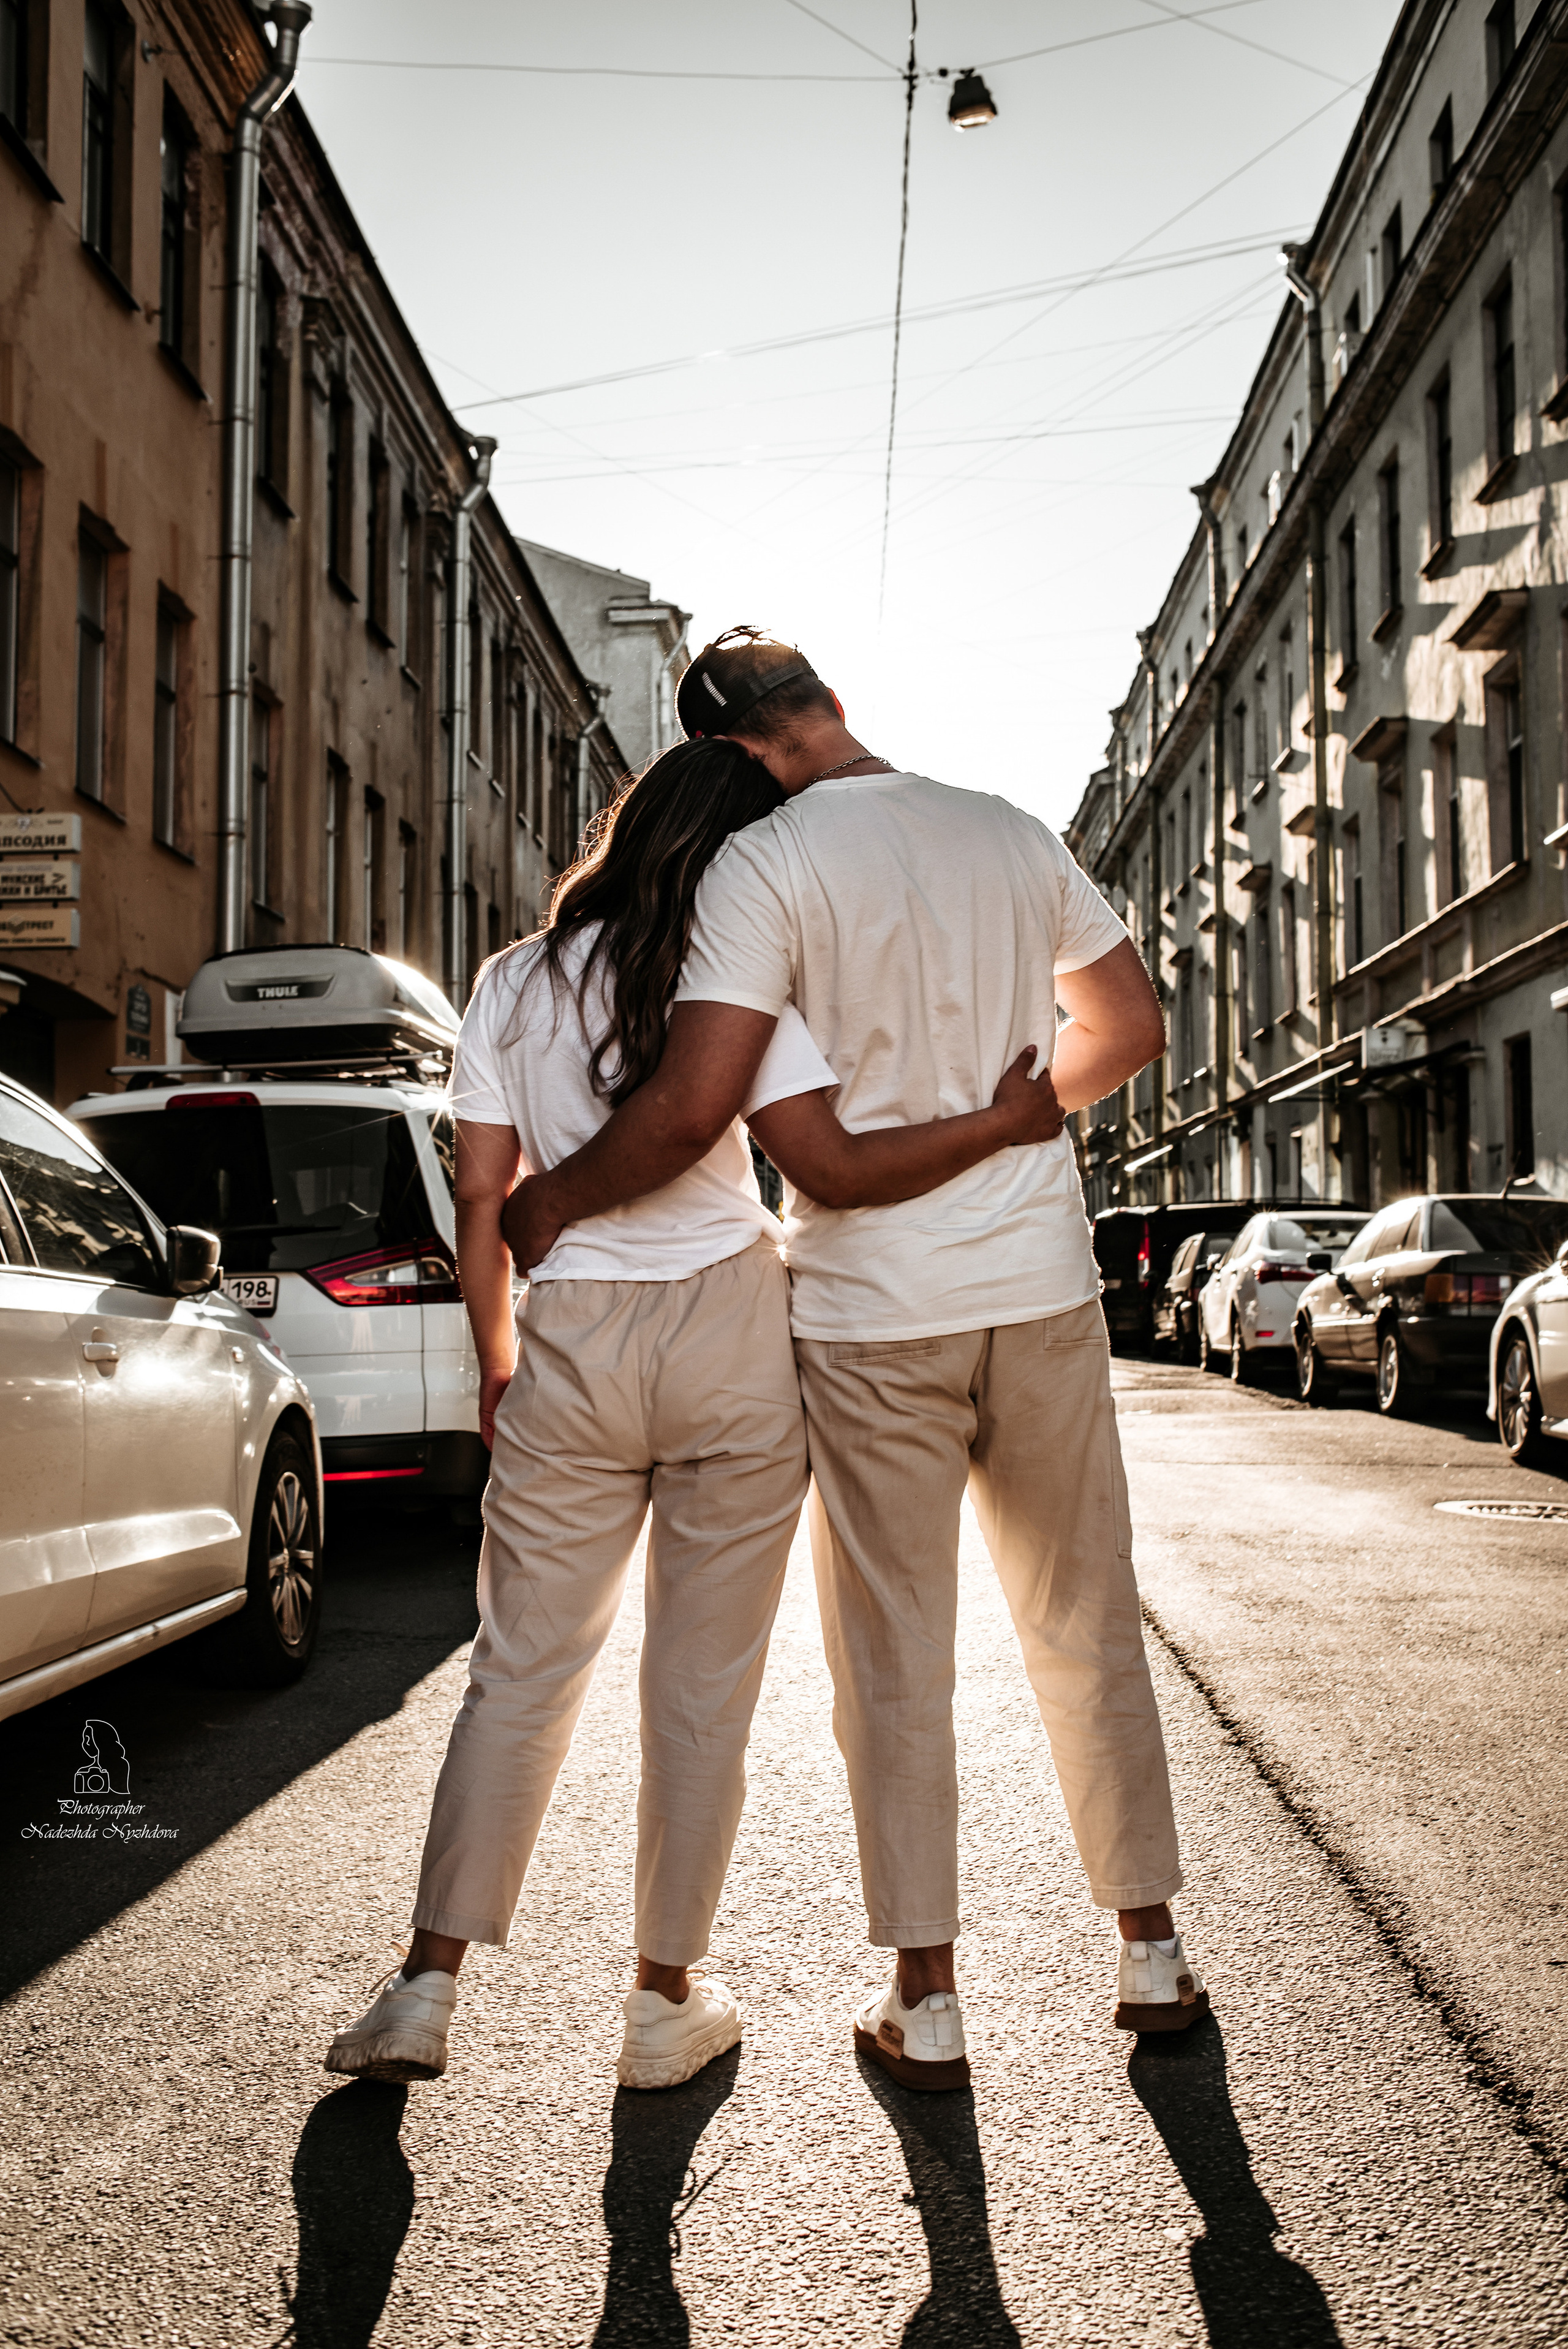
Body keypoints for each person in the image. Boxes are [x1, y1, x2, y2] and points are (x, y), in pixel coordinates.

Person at [500, 629, 1208, 2095]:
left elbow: (703, 1102)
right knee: (1083, 1615)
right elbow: (1129, 1025)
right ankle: (1148, 1952)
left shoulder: (761, 870)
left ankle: (928, 1998)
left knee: (896, 1654)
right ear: (824, 706)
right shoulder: (1009, 830)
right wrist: (1024, 1114)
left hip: (870, 1308)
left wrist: (554, 1199)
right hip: (1038, 1288)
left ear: (735, 752)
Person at [324, 735, 1066, 2092]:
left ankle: (426, 1982)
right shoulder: (741, 982)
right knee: (700, 1690)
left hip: (573, 1341)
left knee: (520, 1669)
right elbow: (826, 1162)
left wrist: (498, 1360)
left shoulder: (509, 982)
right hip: (731, 1328)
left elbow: (485, 1201)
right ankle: (662, 2004)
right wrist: (999, 1124)